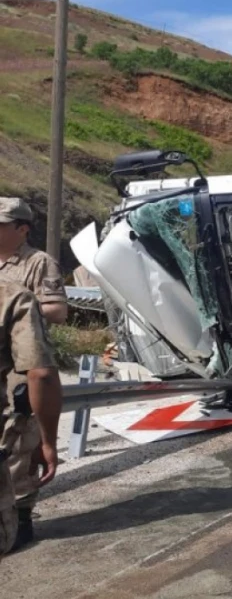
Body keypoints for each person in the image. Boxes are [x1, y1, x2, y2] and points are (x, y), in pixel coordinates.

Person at [0, 282, 63, 558]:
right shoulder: (10, 294)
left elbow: (58, 309)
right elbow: (42, 374)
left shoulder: (36, 264)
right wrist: (47, 440)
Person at [0, 198, 68, 326]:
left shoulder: (40, 262)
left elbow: (57, 311)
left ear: (22, 229)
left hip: (17, 342)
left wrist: (9, 313)